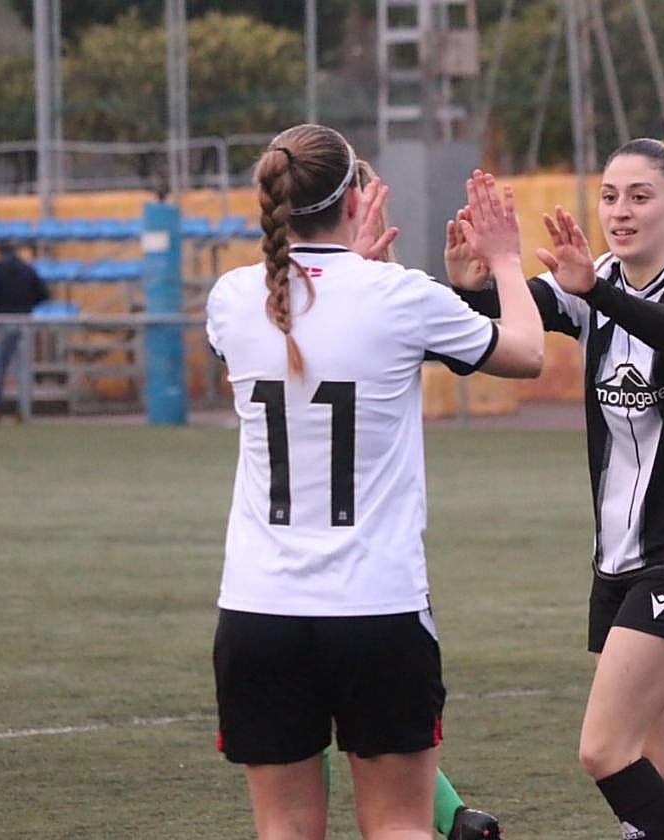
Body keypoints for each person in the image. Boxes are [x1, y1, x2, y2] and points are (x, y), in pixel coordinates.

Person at [205, 123, 543, 840]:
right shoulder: (399, 296)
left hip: (259, 613)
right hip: (376, 609)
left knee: (285, 832)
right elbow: (527, 352)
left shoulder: (232, 297)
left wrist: (345, 268)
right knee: (398, 826)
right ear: (357, 200)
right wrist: (506, 261)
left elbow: (310, 317)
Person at [447, 138, 664, 840]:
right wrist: (468, 283)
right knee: (658, 760)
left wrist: (594, 290)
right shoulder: (592, 282)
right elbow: (516, 316)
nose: (621, 210)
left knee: (603, 751)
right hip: (617, 564)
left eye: (641, 196)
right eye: (610, 195)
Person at [0, 240, 48, 422]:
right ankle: (24, 410)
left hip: (3, 321)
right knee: (23, 368)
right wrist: (28, 306)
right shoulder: (27, 269)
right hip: (24, 320)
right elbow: (43, 293)